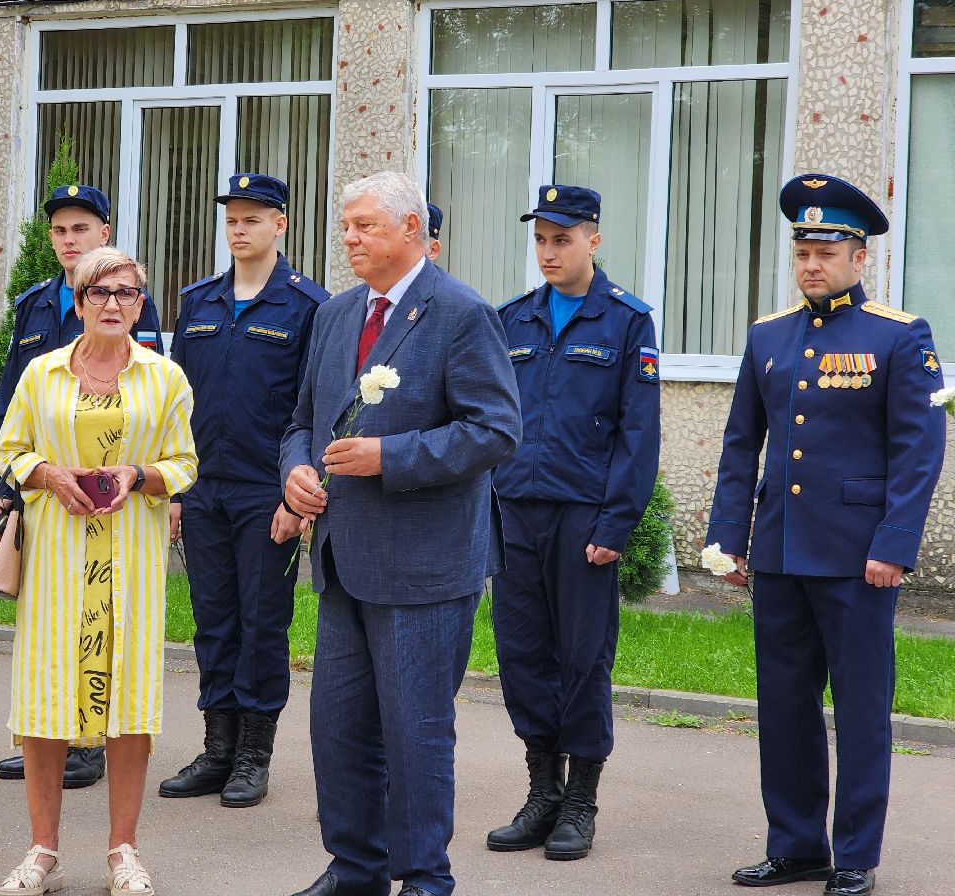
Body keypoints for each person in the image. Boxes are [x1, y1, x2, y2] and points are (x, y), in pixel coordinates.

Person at [281, 171, 522, 896]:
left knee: (415, 737)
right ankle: (355, 869)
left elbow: (496, 430)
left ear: (411, 229)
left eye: (364, 226)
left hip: (423, 565)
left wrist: (392, 457)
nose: (348, 239)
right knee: (338, 730)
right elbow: (301, 421)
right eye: (346, 226)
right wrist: (292, 472)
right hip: (342, 558)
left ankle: (423, 879)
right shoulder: (336, 314)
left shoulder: (460, 313)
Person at [706, 174, 945, 896]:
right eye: (802, 251)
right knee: (783, 708)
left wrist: (894, 545)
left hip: (857, 559)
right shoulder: (768, 336)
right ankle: (796, 845)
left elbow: (918, 451)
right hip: (779, 553)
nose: (812, 264)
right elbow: (740, 442)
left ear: (859, 258)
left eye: (827, 251)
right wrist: (729, 539)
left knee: (862, 709)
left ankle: (855, 857)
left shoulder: (899, 337)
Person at [0, 247, 197, 896]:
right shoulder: (42, 374)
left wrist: (138, 476)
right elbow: (9, 450)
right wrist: (48, 473)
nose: (113, 304)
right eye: (99, 293)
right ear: (77, 303)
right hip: (56, 561)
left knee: (130, 704)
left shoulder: (166, 379)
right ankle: (42, 852)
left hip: (129, 561)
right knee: (45, 702)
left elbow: (186, 464)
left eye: (127, 294)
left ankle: (123, 852)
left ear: (142, 305)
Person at [485, 184, 660, 861]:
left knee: (582, 659)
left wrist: (616, 523)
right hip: (515, 512)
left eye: (563, 238)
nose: (550, 251)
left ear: (594, 239)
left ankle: (582, 800)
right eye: (541, 239)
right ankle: (543, 793)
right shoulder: (512, 319)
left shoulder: (625, 321)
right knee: (522, 655)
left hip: (585, 517)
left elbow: (637, 435)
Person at [0, 182, 163, 791]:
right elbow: (13, 395)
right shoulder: (36, 303)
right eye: (59, 230)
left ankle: (91, 746)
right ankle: (52, 734)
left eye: (80, 229)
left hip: (114, 498)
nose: (68, 240)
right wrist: (12, 480)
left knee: (103, 614)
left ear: (103, 234)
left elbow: (157, 407)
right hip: (46, 491)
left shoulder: (130, 297)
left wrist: (168, 490)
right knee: (48, 617)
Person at [159, 173, 328, 809]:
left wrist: (297, 498)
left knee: (262, 623)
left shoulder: (309, 306)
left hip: (267, 490)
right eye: (232, 216)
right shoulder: (198, 301)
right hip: (202, 488)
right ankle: (218, 746)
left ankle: (254, 752)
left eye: (253, 217)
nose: (239, 227)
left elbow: (315, 409)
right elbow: (176, 405)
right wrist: (174, 490)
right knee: (214, 619)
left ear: (280, 224)